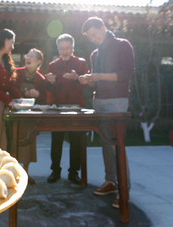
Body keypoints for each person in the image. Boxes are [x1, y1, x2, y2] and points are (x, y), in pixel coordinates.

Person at [79, 16, 134, 208]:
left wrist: (99, 76)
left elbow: (126, 74)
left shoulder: (122, 45)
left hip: (117, 100)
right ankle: (111, 181)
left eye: (94, 34)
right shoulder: (95, 54)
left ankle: (124, 189)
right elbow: (97, 79)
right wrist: (88, 80)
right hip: (99, 100)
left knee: (116, 144)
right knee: (104, 143)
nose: (93, 39)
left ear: (102, 27)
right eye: (89, 37)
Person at [45, 34, 89, 185]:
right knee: (56, 141)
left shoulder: (81, 63)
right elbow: (48, 87)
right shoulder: (52, 65)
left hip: (77, 107)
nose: (65, 51)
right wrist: (50, 83)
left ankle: (73, 172)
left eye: (68, 48)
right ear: (58, 48)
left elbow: (88, 84)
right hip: (58, 107)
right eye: (62, 48)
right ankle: (55, 170)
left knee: (76, 141)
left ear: (73, 48)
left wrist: (77, 78)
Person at [10, 48, 49, 184]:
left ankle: (25, 173)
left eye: (32, 56)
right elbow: (11, 88)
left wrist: (38, 95)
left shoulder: (41, 79)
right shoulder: (17, 72)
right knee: (12, 142)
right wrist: (22, 95)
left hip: (30, 117)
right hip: (15, 114)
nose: (28, 57)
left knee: (29, 143)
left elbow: (44, 98)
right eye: (28, 54)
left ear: (39, 61)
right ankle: (12, 173)